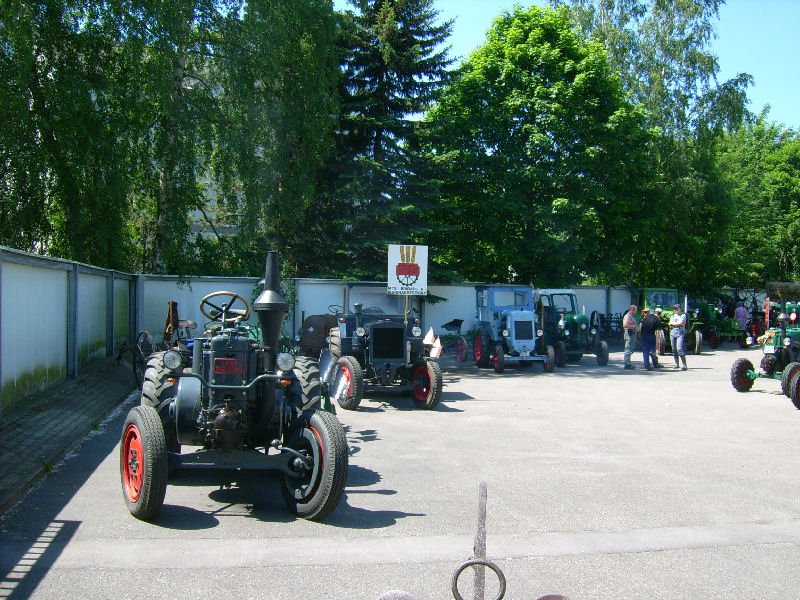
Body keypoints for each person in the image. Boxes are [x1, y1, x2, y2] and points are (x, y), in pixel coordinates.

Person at [669, 303, 688, 370]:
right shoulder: (672, 316)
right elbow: (670, 324)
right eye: (674, 309)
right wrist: (676, 324)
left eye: (677, 309)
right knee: (674, 350)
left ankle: (684, 365)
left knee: (679, 349)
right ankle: (676, 364)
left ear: (680, 309)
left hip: (680, 333)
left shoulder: (683, 315)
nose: (676, 310)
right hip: (672, 333)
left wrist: (674, 324)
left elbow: (681, 323)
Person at [622, 304, 638, 369]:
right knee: (628, 349)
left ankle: (628, 363)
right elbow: (625, 325)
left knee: (630, 349)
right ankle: (627, 364)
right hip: (629, 334)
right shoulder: (628, 316)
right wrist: (634, 326)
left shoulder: (631, 316)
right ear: (632, 310)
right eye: (635, 310)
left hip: (631, 334)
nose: (636, 312)